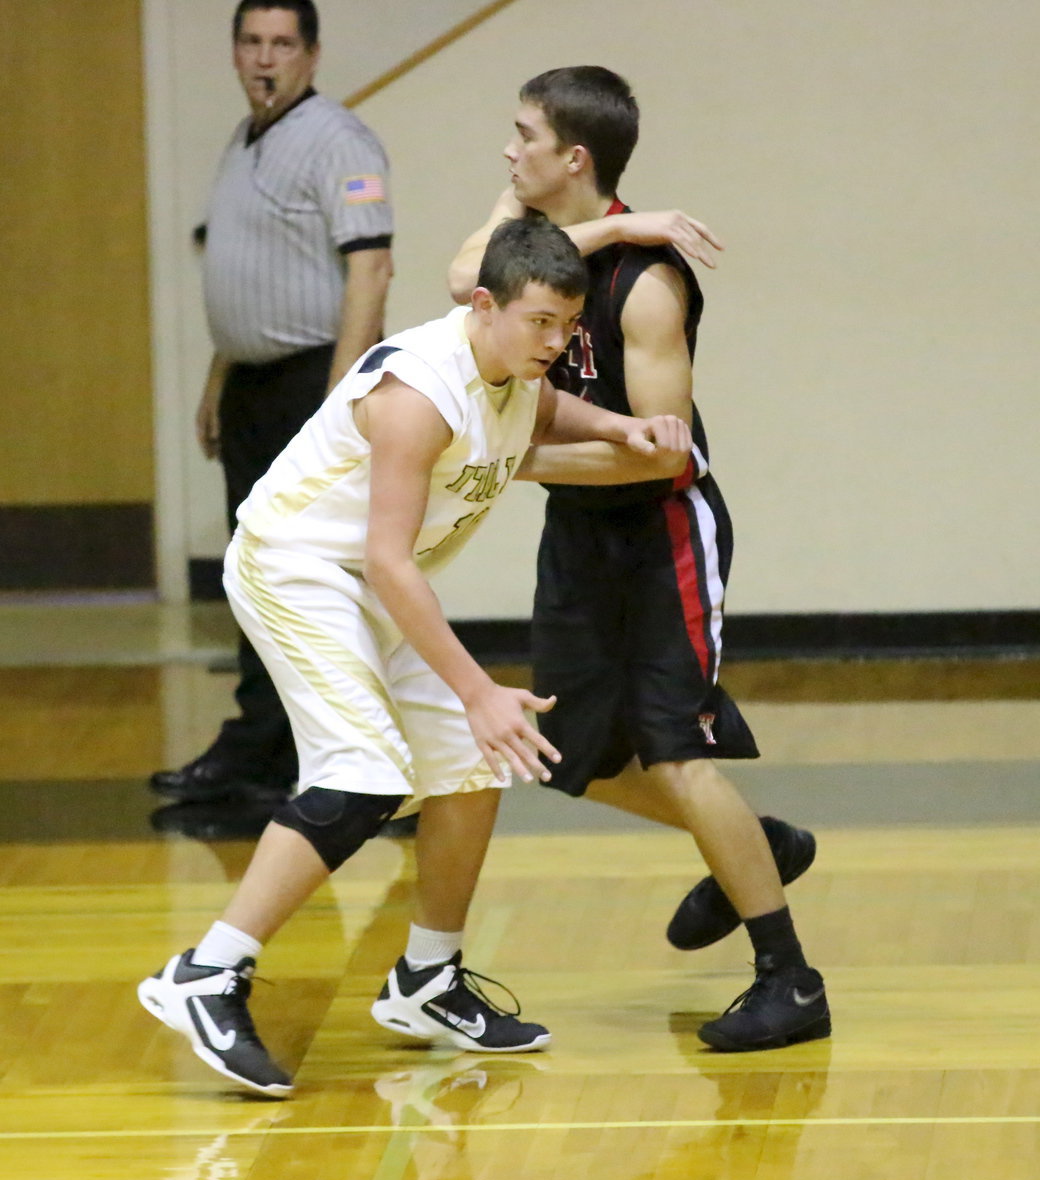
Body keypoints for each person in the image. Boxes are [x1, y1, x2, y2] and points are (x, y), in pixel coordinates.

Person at [137, 216, 693, 1097]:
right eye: (539, 322)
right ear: (485, 304)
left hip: (363, 585)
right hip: (298, 570)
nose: (555, 343)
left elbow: (543, 408)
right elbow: (393, 563)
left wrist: (622, 429)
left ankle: (427, 980)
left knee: (473, 765)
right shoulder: (419, 396)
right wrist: (477, 688)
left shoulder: (513, 368)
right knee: (361, 773)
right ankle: (206, 974)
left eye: (566, 327)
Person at [447, 66, 828, 1052]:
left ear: (571, 158)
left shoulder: (648, 285)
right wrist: (604, 222)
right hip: (578, 536)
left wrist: (512, 459)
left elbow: (657, 447)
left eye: (521, 135)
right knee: (566, 756)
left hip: (660, 531)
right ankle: (756, 841)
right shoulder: (542, 249)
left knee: (674, 747)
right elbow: (464, 281)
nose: (506, 150)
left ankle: (789, 979)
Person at [150, 0, 394, 812]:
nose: (265, 58)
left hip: (309, 384)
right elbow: (246, 268)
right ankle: (263, 748)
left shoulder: (339, 141)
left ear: (312, 56)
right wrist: (219, 380)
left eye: (282, 44)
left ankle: (380, 766)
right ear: (233, 53)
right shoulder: (243, 140)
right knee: (254, 573)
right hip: (255, 386)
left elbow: (370, 271)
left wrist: (339, 403)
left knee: (317, 577)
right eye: (251, 42)